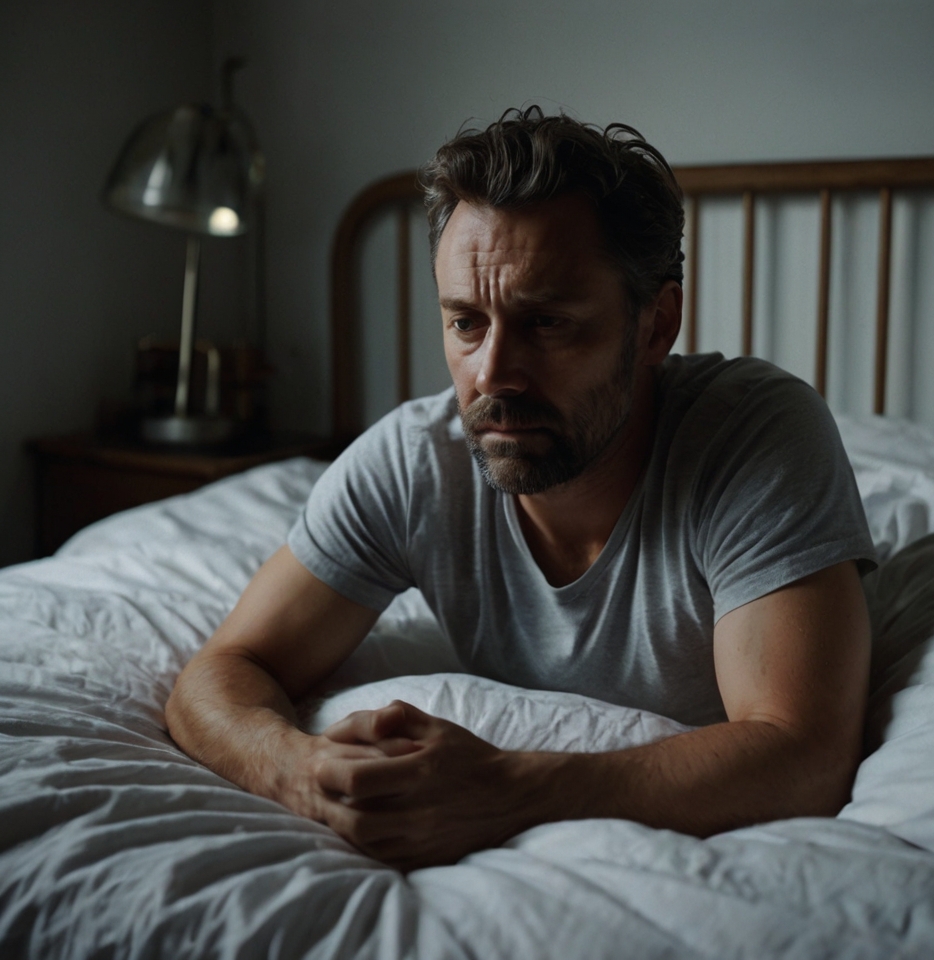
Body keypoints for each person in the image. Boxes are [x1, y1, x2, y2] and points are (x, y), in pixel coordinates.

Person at [166, 106, 875, 873]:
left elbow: (803, 754)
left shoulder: (752, 436)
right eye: (466, 323)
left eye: (546, 324)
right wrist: (297, 772)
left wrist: (511, 790)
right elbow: (219, 673)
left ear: (655, 325)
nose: (492, 375)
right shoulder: (414, 462)